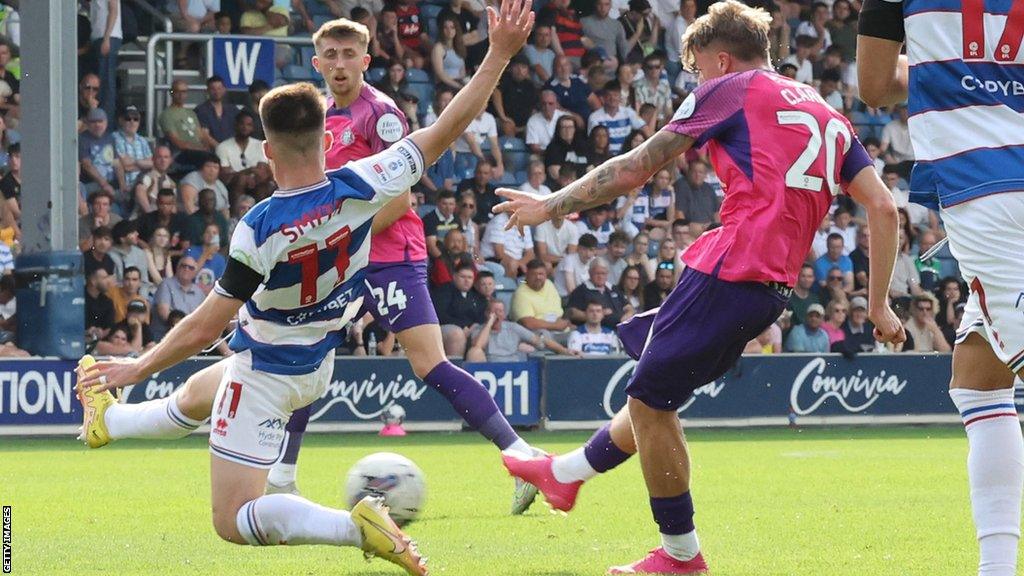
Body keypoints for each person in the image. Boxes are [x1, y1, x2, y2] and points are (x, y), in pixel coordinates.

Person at [76, 5, 536, 572]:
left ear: (266, 152)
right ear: (326, 137)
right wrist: (497, 54)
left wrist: (135, 367)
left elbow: (204, 325)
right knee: (197, 395)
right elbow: (446, 128)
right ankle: (109, 421)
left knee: (233, 519)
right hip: (315, 362)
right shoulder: (365, 183)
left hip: (266, 372)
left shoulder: (259, 227)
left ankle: (356, 526)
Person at [494, 3, 904, 572]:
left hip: (733, 267)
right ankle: (560, 475)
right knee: (653, 389)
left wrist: (550, 205)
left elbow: (634, 168)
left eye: (698, 70)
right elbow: (884, 208)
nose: (698, 81)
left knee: (650, 400)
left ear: (721, 58)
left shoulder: (731, 87)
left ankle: (680, 556)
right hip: (771, 285)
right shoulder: (829, 114)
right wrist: (878, 302)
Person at [467, 298, 577, 362]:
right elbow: (478, 346)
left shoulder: (513, 327)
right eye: (494, 311)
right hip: (491, 370)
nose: (497, 315)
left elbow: (540, 340)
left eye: (500, 311)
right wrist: (490, 323)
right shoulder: (479, 329)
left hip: (513, 368)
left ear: (504, 314)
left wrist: (565, 351)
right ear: (487, 313)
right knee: (474, 352)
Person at [432, 262, 488, 356]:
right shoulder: (444, 291)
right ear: (454, 277)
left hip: (471, 329)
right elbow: (440, 314)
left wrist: (475, 325)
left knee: (483, 334)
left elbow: (482, 315)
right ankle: (455, 368)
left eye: (470, 278)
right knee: (456, 334)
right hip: (446, 328)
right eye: (463, 277)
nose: (466, 280)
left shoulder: (476, 295)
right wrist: (462, 326)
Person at [566, 257, 629, 328]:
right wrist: (597, 314)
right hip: (596, 331)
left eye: (603, 273)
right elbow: (571, 312)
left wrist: (626, 317)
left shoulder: (613, 288)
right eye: (597, 273)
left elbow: (629, 307)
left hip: (621, 328)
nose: (600, 276)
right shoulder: (581, 290)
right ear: (590, 273)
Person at [194, 76, 239, 146]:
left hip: (233, 151)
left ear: (224, 89)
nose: (217, 91)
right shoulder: (201, 110)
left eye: (219, 88)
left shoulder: (233, 109)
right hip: (211, 153)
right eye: (213, 89)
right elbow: (204, 135)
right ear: (208, 90)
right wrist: (221, 149)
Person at [133, 145, 176, 216]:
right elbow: (140, 191)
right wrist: (150, 215)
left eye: (166, 157)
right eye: (159, 157)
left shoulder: (171, 184)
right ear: (153, 159)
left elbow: (173, 207)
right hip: (142, 219)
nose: (163, 160)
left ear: (170, 160)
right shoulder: (147, 176)